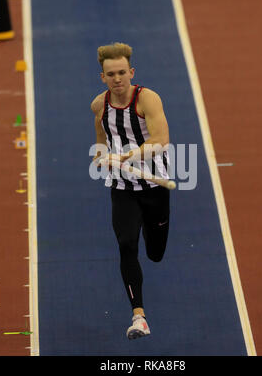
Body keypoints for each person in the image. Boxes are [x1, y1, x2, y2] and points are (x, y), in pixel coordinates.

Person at [91, 42, 170, 339]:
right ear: (103, 77)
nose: (117, 78)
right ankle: (139, 316)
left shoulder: (147, 99)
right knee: (126, 244)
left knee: (155, 253)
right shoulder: (99, 105)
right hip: (122, 187)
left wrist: (124, 156)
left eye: (122, 72)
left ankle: (152, 230)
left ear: (131, 72)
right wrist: (101, 156)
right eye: (110, 74)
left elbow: (161, 139)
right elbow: (100, 139)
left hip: (155, 186)